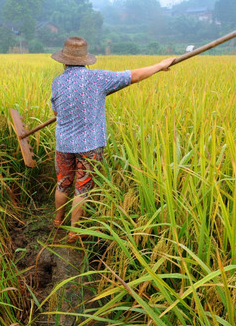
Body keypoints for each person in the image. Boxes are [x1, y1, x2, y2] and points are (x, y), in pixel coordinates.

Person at [50, 36, 175, 243]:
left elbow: (55, 112)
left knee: (63, 183)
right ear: (85, 60)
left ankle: (57, 221)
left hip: (64, 144)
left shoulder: (57, 82)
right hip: (89, 145)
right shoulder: (98, 79)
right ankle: (74, 232)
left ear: (64, 61)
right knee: (82, 188)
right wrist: (160, 65)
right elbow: (133, 76)